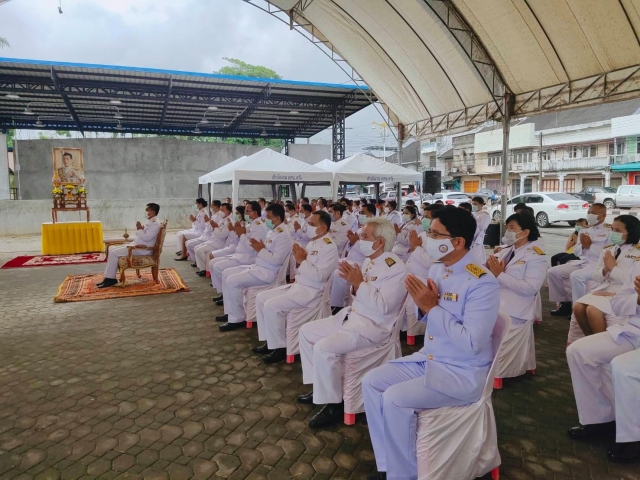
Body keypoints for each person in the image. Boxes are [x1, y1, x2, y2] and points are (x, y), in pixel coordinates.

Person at [361, 206, 500, 480]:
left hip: (461, 372)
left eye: (436, 234)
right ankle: (388, 462)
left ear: (457, 242)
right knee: (372, 381)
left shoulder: (482, 283)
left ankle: (404, 475)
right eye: (430, 232)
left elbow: (472, 343)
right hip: (430, 358)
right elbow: (430, 314)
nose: (428, 239)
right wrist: (425, 306)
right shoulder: (438, 270)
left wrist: (431, 308)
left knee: (395, 399)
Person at [296, 217, 406, 429]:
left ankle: (334, 404)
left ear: (380, 241)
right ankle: (319, 386)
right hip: (353, 317)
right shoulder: (370, 260)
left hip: (372, 327)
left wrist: (358, 283)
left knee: (323, 348)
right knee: (306, 331)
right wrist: (355, 283)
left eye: (364, 236)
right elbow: (359, 294)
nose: (359, 239)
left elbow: (383, 307)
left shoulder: (395, 268)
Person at [566, 265, 640, 463]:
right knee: (578, 352)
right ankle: (598, 419)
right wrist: (638, 299)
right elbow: (618, 302)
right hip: (633, 331)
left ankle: (632, 438)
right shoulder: (638, 264)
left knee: (624, 367)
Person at [253, 211, 339, 363]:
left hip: (311, 292)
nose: (307, 227)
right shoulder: (313, 242)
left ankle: (279, 348)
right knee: (261, 298)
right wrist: (301, 262)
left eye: (312, 224)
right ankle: (271, 341)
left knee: (272, 306)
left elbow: (320, 276)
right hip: (300, 286)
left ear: (323, 228)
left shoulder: (329, 247)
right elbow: (306, 268)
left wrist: (302, 261)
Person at [486, 213, 547, 379]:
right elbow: (487, 270)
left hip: (516, 309)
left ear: (525, 232)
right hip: (497, 302)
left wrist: (499, 275)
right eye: (507, 227)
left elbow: (531, 288)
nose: (508, 231)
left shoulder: (536, 256)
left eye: (512, 228)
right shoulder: (507, 250)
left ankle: (494, 374)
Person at [216, 204, 293, 331]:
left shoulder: (283, 234)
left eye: (268, 217)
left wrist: (260, 249)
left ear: (278, 218)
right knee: (226, 273)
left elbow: (276, 260)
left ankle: (237, 318)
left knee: (232, 281)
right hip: (259, 266)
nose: (266, 219)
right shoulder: (273, 230)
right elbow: (264, 250)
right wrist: (260, 248)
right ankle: (231, 312)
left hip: (268, 273)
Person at [572, 215, 640, 337]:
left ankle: (600, 343)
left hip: (623, 293)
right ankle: (589, 339)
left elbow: (632, 281)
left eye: (618, 231)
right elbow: (596, 276)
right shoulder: (609, 249)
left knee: (592, 310)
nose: (613, 233)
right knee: (578, 307)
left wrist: (613, 268)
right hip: (604, 289)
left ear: (631, 232)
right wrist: (605, 269)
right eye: (613, 229)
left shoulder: (637, 253)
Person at [547, 203, 611, 316]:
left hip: (598, 264)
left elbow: (608, 253)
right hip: (583, 261)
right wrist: (583, 246)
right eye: (589, 212)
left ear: (603, 215)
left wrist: (590, 246)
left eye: (594, 213)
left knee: (576, 276)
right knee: (552, 272)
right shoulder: (584, 230)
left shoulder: (609, 231)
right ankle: (565, 301)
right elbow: (576, 252)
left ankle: (577, 308)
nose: (590, 215)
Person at [210, 202, 267, 303]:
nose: (245, 213)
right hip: (239, 254)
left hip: (247, 258)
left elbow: (251, 247)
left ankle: (228, 297)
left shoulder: (259, 227)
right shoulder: (251, 224)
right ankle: (225, 293)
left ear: (254, 213)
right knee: (214, 264)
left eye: (247, 211)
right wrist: (238, 232)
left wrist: (241, 234)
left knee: (219, 267)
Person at [97, 203, 161, 289]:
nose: (146, 212)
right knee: (112, 250)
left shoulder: (155, 223)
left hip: (141, 249)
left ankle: (110, 279)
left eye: (147, 210)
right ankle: (108, 278)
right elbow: (145, 235)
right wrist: (141, 230)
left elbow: (146, 237)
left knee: (113, 253)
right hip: (137, 245)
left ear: (152, 212)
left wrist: (139, 229)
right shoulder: (151, 221)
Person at [329, 203, 377, 311]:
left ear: (371, 214)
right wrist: (352, 242)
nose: (360, 215)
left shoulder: (376, 230)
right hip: (353, 259)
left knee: (339, 273)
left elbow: (372, 250)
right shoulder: (362, 229)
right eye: (360, 212)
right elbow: (352, 250)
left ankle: (337, 305)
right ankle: (334, 302)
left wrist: (356, 242)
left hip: (363, 262)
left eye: (363, 213)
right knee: (333, 267)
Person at [193, 203, 234, 276]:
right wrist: (213, 225)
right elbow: (215, 229)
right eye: (220, 209)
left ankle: (205, 269)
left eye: (222, 210)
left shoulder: (228, 221)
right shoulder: (223, 219)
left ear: (228, 211)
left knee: (199, 250)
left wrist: (215, 227)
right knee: (196, 248)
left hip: (219, 243)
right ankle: (203, 269)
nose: (220, 211)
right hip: (213, 240)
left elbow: (222, 235)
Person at [471, 196, 491, 264]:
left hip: (477, 240)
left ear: (481, 205)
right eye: (472, 204)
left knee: (477, 260)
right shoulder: (472, 214)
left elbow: (482, 227)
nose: (473, 206)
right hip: (470, 239)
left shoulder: (485, 215)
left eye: (475, 204)